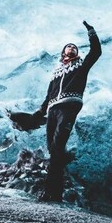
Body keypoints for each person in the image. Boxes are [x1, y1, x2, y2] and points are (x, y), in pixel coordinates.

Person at [11, 20, 101, 202]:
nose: (71, 48)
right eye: (68, 46)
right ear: (63, 53)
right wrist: (38, 114)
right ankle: (54, 191)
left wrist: (91, 31)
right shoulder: (56, 73)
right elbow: (48, 96)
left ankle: (52, 193)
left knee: (58, 147)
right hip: (52, 110)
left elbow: (96, 52)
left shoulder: (81, 66)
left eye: (74, 47)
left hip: (68, 107)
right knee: (54, 150)